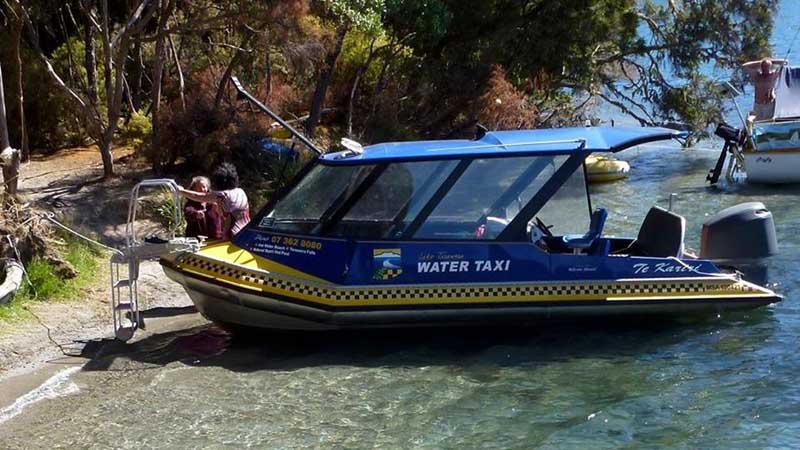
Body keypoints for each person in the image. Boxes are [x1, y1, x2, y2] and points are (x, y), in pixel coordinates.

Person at [179, 163, 250, 239]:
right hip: (247, 233)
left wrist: (181, 191)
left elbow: (198, 196)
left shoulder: (222, 195)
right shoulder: (241, 192)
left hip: (233, 235)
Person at [183, 176, 223, 240]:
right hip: (196, 240)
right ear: (193, 189)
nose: (202, 189)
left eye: (204, 187)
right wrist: (196, 214)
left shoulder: (214, 203)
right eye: (199, 187)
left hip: (215, 240)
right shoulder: (190, 203)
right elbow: (188, 212)